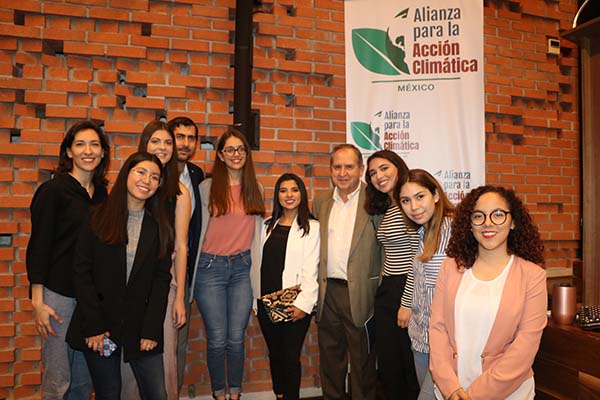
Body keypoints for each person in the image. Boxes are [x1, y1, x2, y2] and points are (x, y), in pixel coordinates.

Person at [66, 151, 171, 400]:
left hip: (140, 326)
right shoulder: (97, 217)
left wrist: (152, 329)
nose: (147, 180)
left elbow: (161, 281)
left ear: (158, 186)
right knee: (108, 393)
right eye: (141, 172)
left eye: (155, 177)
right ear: (126, 173)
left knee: (158, 394)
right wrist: (94, 326)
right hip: (100, 327)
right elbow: (81, 273)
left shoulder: (160, 227)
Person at [429, 186, 547, 400]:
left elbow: (525, 346)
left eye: (498, 215)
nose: (488, 223)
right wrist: (450, 387)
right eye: (478, 216)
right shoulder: (450, 268)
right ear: (469, 224)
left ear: (513, 222)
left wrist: (475, 395)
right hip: (451, 390)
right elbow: (437, 328)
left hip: (508, 393)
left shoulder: (532, 275)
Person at [26, 120, 109, 399]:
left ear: (103, 152)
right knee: (59, 378)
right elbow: (38, 246)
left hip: (88, 297)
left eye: (95, 144)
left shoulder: (102, 194)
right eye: (80, 144)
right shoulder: (53, 191)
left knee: (85, 378)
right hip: (57, 295)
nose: (88, 150)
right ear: (69, 152)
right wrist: (38, 303)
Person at [190, 128, 265, 400]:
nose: (236, 154)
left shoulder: (255, 188)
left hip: (242, 269)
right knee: (218, 338)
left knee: (236, 338)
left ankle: (235, 394)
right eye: (230, 150)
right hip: (209, 270)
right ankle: (218, 394)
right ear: (220, 155)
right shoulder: (205, 188)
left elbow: (257, 234)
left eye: (241, 149)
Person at [122, 120, 192, 400]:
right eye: (155, 141)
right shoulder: (134, 182)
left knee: (161, 358)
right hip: (128, 279)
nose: (162, 148)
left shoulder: (180, 193)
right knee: (127, 360)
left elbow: (182, 246)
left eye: (167, 143)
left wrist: (179, 297)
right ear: (144, 144)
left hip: (165, 282)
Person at [313, 144, 381, 400]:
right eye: (337, 167)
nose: (342, 173)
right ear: (330, 170)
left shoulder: (375, 201)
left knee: (363, 361)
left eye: (349, 167)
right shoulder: (320, 202)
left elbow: (385, 250)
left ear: (361, 170)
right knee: (330, 359)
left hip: (361, 293)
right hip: (328, 292)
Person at [250, 173, 319, 400]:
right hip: (266, 301)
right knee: (275, 355)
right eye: (283, 190)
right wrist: (256, 301)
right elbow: (257, 264)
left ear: (302, 193)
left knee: (290, 358)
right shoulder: (267, 225)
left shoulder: (312, 227)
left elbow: (312, 270)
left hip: (293, 302)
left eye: (294, 190)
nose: (289, 195)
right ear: (277, 195)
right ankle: (279, 395)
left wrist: (304, 305)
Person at [365, 150, 420, 400]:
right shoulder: (390, 208)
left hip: (405, 290)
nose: (379, 176)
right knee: (389, 364)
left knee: (407, 364)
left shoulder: (409, 205)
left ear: (398, 167)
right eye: (373, 173)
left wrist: (406, 303)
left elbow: (417, 258)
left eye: (384, 168)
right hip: (388, 289)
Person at [398, 169, 454, 400]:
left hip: (447, 341)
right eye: (406, 201)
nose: (414, 206)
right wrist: (407, 305)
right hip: (420, 335)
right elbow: (417, 275)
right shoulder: (422, 231)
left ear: (436, 195)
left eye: (420, 197)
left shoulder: (456, 230)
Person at [167, 116, 205, 391]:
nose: (186, 143)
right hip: (154, 270)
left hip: (186, 271)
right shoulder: (153, 173)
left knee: (177, 342)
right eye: (180, 136)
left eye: (191, 138)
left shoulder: (197, 175)